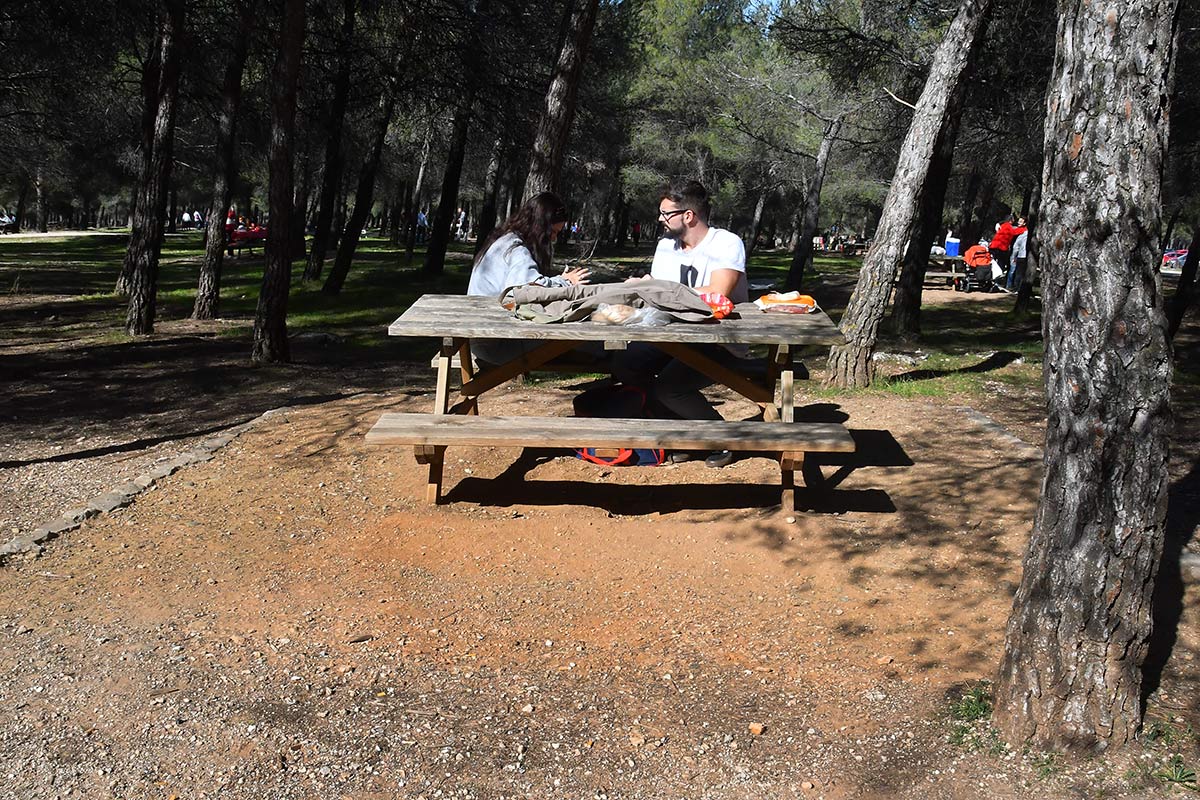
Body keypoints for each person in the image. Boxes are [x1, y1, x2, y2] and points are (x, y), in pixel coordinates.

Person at [614, 178, 749, 468]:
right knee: (623, 363)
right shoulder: (665, 246)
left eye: (666, 214)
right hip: (672, 335)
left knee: (670, 388)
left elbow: (717, 293)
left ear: (688, 215)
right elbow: (660, 295)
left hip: (719, 338)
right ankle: (686, 435)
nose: (660, 219)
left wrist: (657, 288)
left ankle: (720, 437)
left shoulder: (726, 243)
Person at [467, 192, 590, 366]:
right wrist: (566, 281)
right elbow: (529, 289)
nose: (554, 238)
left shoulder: (506, 239)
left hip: (484, 335)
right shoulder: (516, 250)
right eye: (553, 232)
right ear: (541, 227)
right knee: (575, 338)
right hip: (494, 342)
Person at [988, 214, 1027, 293]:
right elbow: (1014, 232)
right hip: (1000, 248)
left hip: (994, 247)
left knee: (998, 264)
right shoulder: (1008, 226)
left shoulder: (1003, 226)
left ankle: (997, 281)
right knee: (1002, 265)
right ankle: (998, 282)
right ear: (1011, 220)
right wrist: (1024, 229)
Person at [1009, 224, 1029, 292]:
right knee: (1026, 274)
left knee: (1018, 273)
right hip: (1028, 257)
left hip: (1021, 256)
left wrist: (1014, 256)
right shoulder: (1035, 236)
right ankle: (1023, 289)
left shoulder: (1022, 235)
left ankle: (1016, 288)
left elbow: (1016, 247)